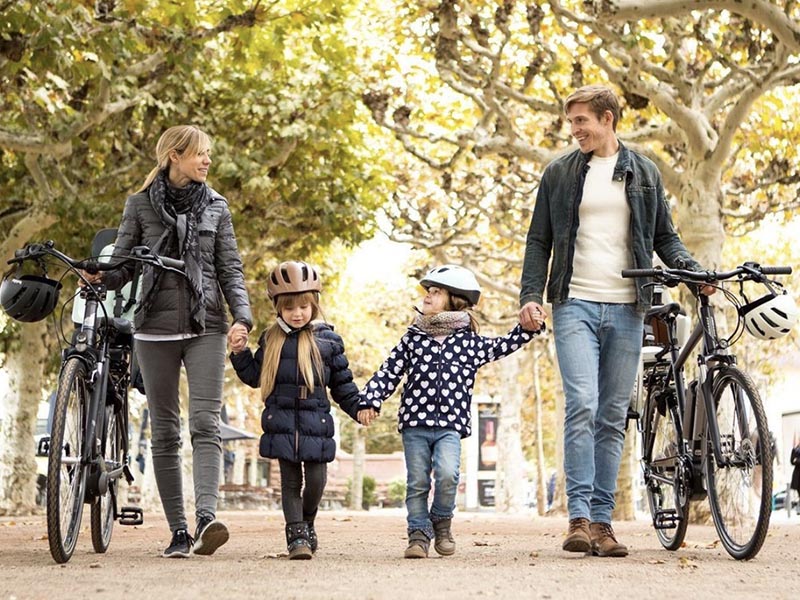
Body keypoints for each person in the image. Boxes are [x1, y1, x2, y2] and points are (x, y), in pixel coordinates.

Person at [518, 85, 713, 558]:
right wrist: (529, 297)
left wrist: (695, 275)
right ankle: (579, 518)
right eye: (571, 122)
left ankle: (603, 523)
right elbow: (538, 241)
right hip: (575, 302)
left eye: (582, 121)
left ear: (607, 119)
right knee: (582, 403)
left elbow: (665, 237)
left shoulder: (643, 172)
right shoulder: (559, 173)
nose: (575, 130)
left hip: (628, 306)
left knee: (611, 415)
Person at [85, 125, 253, 558]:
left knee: (205, 423)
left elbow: (229, 267)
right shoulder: (139, 205)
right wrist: (103, 275)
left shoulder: (216, 205)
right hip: (152, 329)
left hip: (206, 326)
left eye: (209, 154)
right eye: (200, 153)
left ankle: (206, 519)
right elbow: (123, 264)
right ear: (174, 156)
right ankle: (178, 531)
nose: (207, 161)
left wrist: (243, 318)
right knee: (164, 432)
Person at [358, 265, 544, 559]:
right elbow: (389, 370)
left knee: (448, 475)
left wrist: (527, 330)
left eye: (435, 292)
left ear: (454, 299)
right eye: (427, 292)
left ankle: (441, 523)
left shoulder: (468, 344)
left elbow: (502, 346)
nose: (427, 297)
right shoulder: (413, 338)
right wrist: (370, 399)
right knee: (417, 482)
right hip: (414, 423)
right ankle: (418, 535)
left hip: (450, 426)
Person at [229, 260, 363, 560]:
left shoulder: (329, 341)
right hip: (282, 419)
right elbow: (254, 376)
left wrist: (360, 408)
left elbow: (343, 385)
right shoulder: (271, 338)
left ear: (314, 303)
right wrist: (240, 352)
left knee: (316, 481)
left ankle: (307, 521)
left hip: (316, 420)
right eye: (289, 308)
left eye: (304, 305)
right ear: (278, 308)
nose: (297, 313)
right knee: (290, 483)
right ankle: (296, 536)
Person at [791, 436, 800, 513]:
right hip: (797, 474)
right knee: (798, 491)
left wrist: (797, 460)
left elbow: (795, 461)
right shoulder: (795, 449)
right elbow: (792, 461)